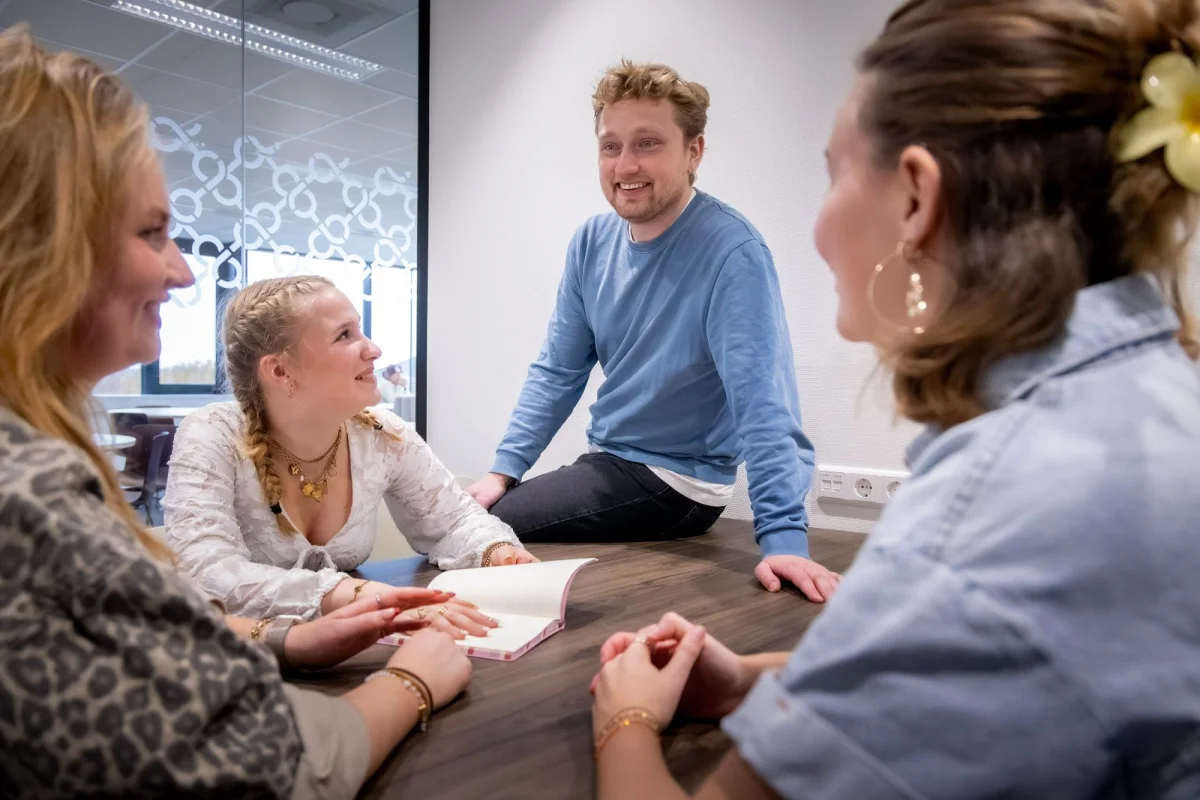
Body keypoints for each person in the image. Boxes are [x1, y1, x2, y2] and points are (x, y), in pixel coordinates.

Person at [588, 0, 1200, 797]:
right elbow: (1022, 667)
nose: (816, 227)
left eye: (833, 173)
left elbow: (969, 603)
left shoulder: (981, 521)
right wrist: (752, 683)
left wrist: (625, 718)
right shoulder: (1151, 406)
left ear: (915, 197)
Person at [0, 27, 475, 798]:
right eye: (152, 232)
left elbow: (456, 523)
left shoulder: (384, 435)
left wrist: (294, 642)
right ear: (42, 246)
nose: (184, 271)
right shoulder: (29, 495)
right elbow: (259, 767)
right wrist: (411, 681)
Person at [467, 60, 838, 602]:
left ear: (694, 151)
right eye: (610, 146)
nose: (625, 165)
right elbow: (558, 370)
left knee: (472, 535)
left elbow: (764, 401)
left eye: (648, 143)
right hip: (610, 463)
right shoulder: (592, 243)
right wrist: (504, 471)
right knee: (467, 520)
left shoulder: (732, 251)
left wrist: (784, 537)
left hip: (679, 481)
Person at [163, 276, 537, 636]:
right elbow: (203, 573)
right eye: (345, 335)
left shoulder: (383, 434)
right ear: (279, 369)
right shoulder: (212, 434)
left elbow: (454, 523)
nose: (374, 350)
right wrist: (358, 595)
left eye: (360, 330)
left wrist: (497, 553)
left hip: (355, 646)